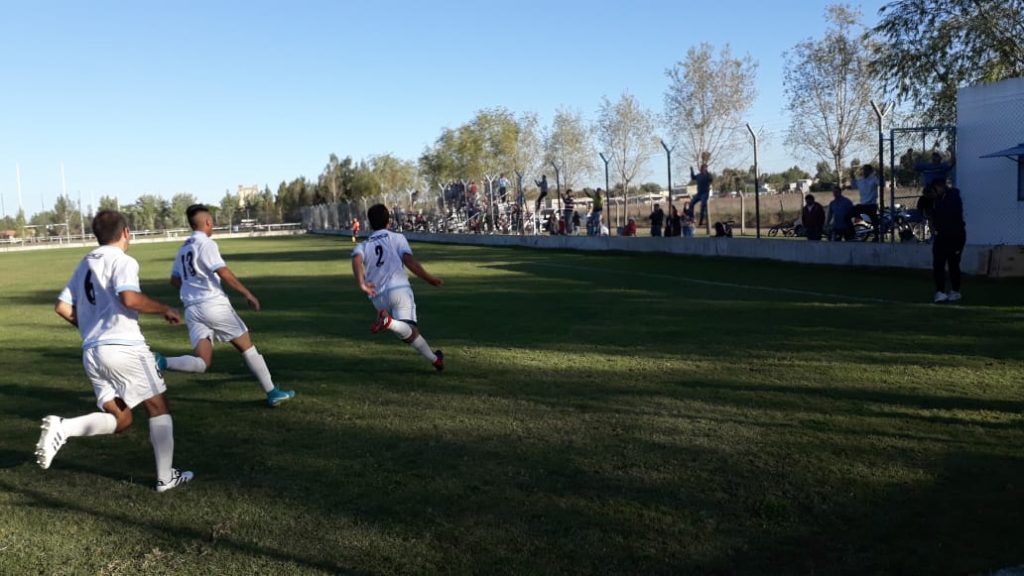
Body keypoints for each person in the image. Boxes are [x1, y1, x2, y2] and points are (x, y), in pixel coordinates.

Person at [38, 210, 193, 492]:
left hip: (92, 353)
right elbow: (129, 298)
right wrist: (164, 309)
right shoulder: (123, 260)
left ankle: (64, 428)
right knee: (158, 407)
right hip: (124, 348)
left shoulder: (85, 263)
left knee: (122, 419)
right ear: (125, 233)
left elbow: (61, 307)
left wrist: (92, 328)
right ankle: (165, 477)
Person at [157, 204, 296, 407]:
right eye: (212, 221)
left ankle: (161, 361)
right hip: (213, 305)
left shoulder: (183, 248)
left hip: (192, 309)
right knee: (247, 347)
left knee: (203, 362)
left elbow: (174, 280)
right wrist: (247, 293)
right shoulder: (207, 244)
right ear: (208, 222)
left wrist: (193, 289)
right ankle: (272, 392)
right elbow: (222, 271)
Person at [352, 204, 445, 370]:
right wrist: (429, 279)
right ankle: (389, 323)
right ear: (388, 221)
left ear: (370, 223)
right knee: (408, 328)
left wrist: (362, 283)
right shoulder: (397, 238)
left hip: (377, 297)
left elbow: (356, 259)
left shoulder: (364, 245)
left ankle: (435, 360)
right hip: (398, 289)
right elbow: (409, 261)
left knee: (408, 333)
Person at [929, 179, 966, 303]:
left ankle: (955, 291)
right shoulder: (937, 200)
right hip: (941, 236)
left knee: (953, 263)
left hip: (955, 236)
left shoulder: (953, 197)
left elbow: (949, 214)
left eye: (935, 189)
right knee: (938, 263)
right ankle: (940, 291)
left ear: (940, 187)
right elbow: (934, 216)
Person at [851, 165, 881, 233]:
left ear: (870, 171)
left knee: (874, 221)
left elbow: (881, 183)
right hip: (863, 204)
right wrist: (852, 175)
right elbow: (854, 186)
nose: (864, 171)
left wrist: (878, 173)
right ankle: (851, 231)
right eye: (864, 170)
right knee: (849, 213)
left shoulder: (874, 179)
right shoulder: (860, 180)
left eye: (866, 170)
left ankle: (876, 235)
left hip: (871, 204)